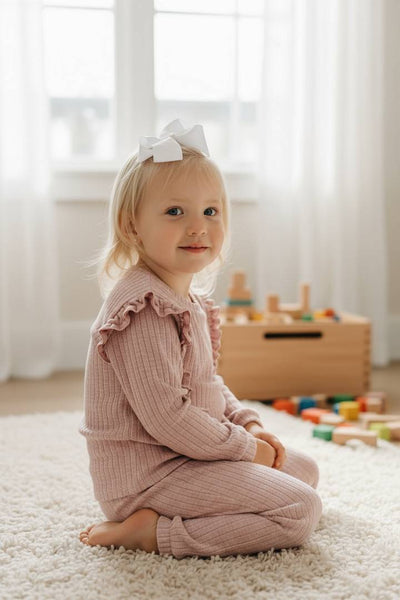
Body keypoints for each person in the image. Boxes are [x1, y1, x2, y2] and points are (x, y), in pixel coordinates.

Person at [78, 118, 323, 559]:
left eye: (210, 211)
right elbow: (169, 418)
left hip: (190, 456)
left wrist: (246, 422)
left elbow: (206, 383)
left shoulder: (185, 298)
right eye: (175, 212)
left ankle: (205, 513)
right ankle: (150, 532)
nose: (198, 227)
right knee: (299, 508)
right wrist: (246, 451)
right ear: (133, 226)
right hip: (150, 477)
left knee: (304, 469)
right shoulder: (143, 311)